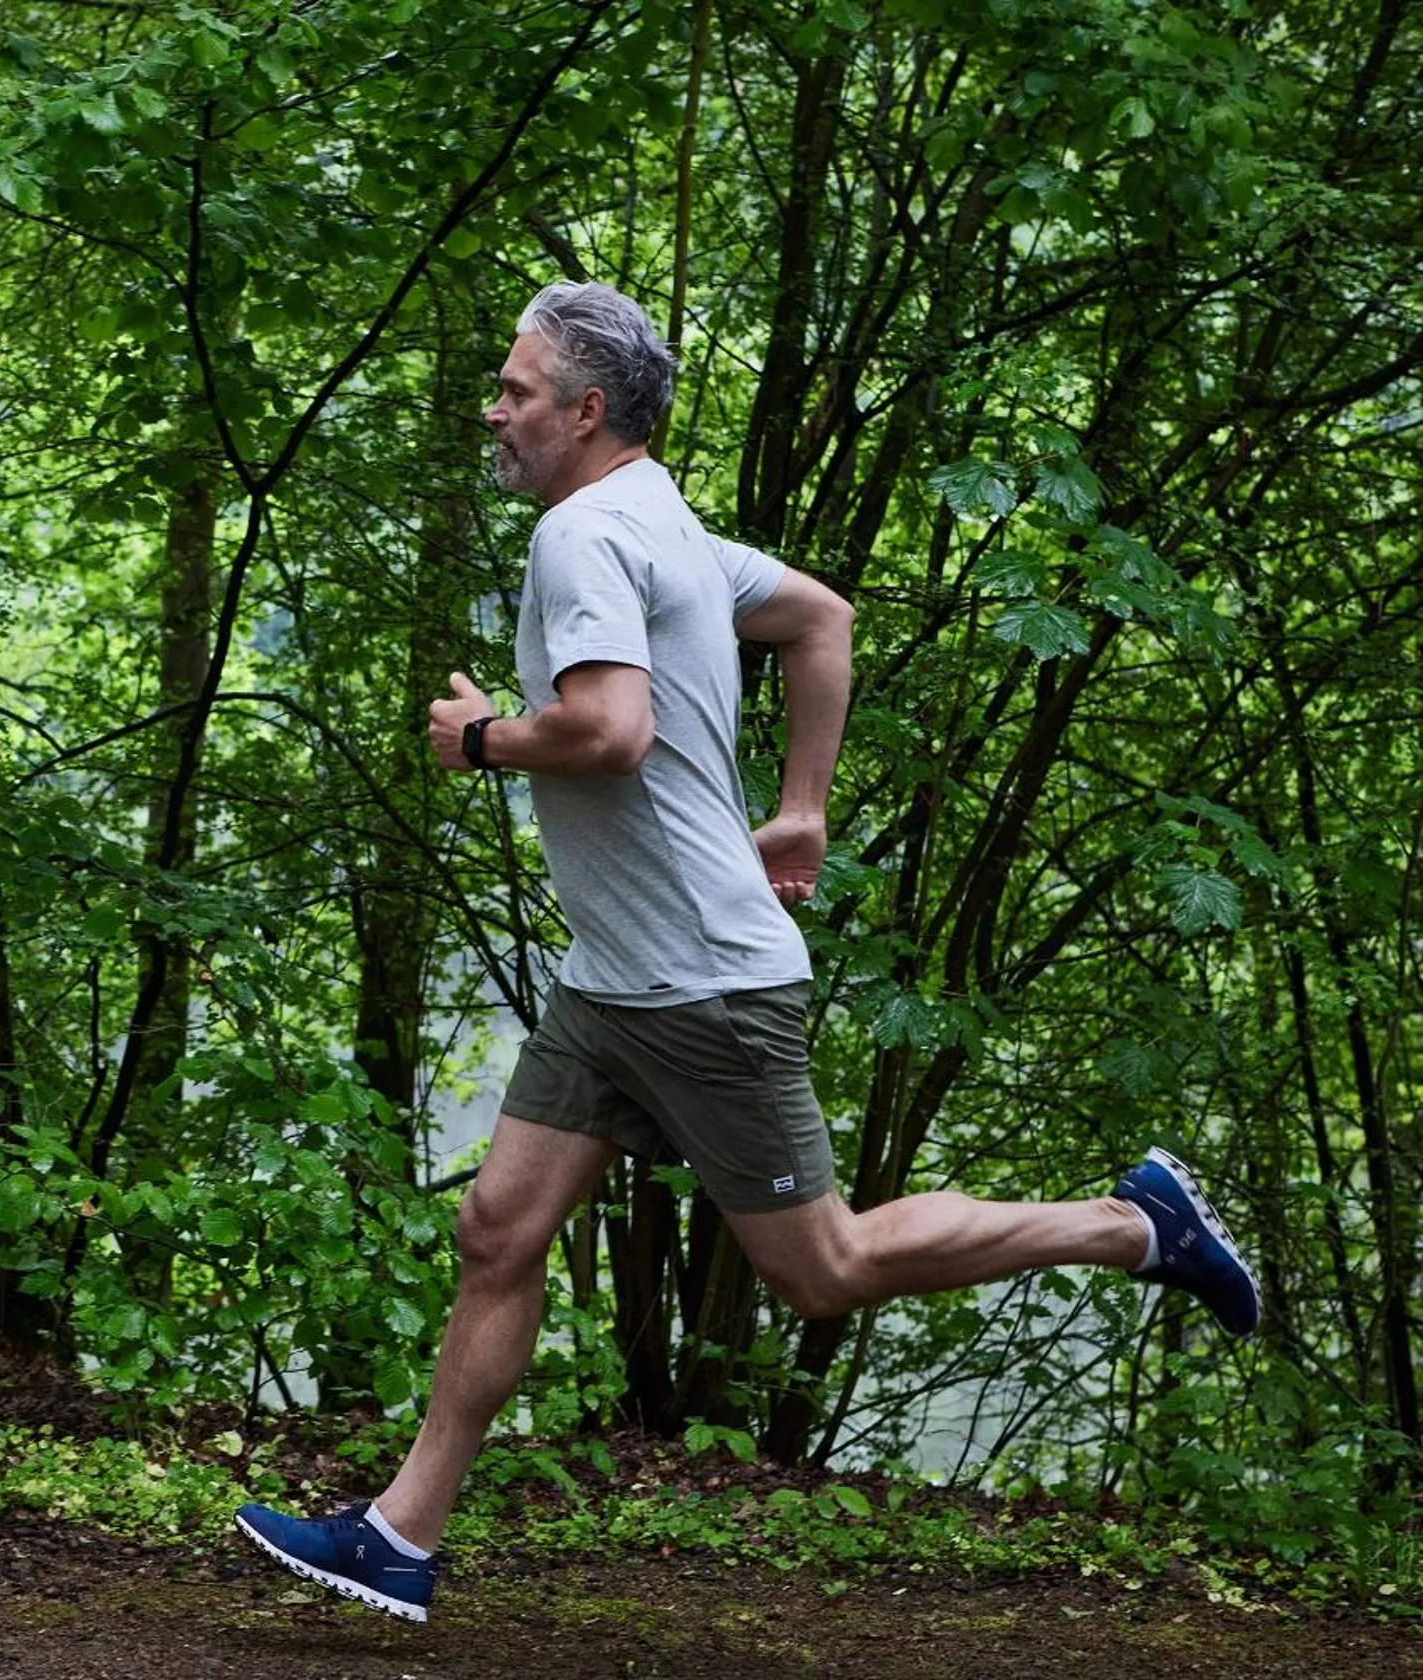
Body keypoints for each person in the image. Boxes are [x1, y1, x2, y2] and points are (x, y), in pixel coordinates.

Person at [233, 280, 1259, 1624]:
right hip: (616, 978)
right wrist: (803, 810)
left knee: (819, 1268)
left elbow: (610, 731)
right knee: (499, 1230)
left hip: (703, 986)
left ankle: (1135, 1227)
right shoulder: (658, 514)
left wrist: (482, 738)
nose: (495, 412)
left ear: (585, 411)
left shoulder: (585, 536)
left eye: (517, 392)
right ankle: (399, 1539)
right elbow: (822, 618)